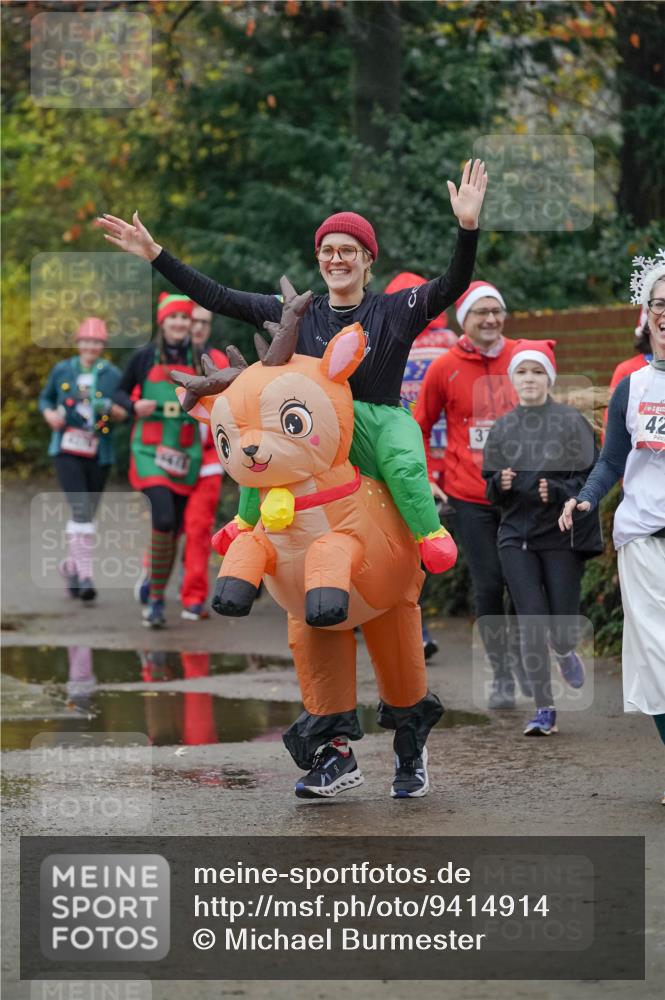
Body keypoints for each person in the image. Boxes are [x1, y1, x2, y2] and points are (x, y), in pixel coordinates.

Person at [96, 159, 488, 581]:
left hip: (377, 427)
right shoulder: (296, 312)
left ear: (367, 259)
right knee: (261, 439)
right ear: (318, 258)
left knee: (402, 460)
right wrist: (156, 254)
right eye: (328, 251)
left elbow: (453, 283)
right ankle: (245, 529)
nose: (337, 259)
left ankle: (429, 536)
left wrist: (467, 227)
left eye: (348, 251)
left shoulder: (394, 310)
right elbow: (218, 297)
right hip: (318, 435)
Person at [560, 250, 665, 801]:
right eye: (659, 304)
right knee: (656, 658)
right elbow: (611, 460)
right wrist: (587, 498)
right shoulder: (631, 386)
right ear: (645, 314)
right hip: (644, 539)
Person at [414, 280, 528, 708]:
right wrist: (425, 475)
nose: (491, 320)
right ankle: (501, 675)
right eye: (481, 312)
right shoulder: (445, 367)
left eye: (497, 311)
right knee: (489, 583)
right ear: (466, 320)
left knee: (521, 584)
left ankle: (521, 662)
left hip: (520, 495)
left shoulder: (522, 357)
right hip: (470, 495)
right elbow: (418, 425)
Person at [483, 340, 602, 736]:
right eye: (522, 372)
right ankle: (544, 709)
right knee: (531, 622)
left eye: (537, 372)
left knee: (562, 623)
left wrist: (559, 489)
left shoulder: (571, 423)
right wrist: (499, 483)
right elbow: (489, 488)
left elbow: (590, 479)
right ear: (513, 379)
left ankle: (566, 649)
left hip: (560, 536)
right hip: (515, 536)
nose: (529, 379)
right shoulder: (503, 427)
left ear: (548, 378)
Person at [114, 293, 203, 628]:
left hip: (185, 450)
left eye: (184, 318)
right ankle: (154, 599)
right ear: (162, 322)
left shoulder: (202, 356)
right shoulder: (144, 356)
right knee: (163, 519)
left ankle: (156, 591)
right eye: (173, 318)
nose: (179, 324)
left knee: (175, 528)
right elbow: (119, 393)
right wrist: (133, 407)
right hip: (150, 450)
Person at [386, 270, 458, 659]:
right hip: (450, 459)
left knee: (407, 545)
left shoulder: (386, 339)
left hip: (402, 457)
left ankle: (413, 624)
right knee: (432, 543)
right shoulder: (452, 343)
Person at [39, 317, 122, 602]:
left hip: (99, 452)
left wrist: (112, 409)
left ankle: (71, 566)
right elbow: (45, 399)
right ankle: (85, 574)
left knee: (88, 511)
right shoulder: (63, 370)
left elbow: (124, 408)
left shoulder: (112, 374)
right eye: (86, 341)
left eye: (96, 341)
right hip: (65, 450)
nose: (90, 346)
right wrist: (49, 414)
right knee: (80, 509)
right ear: (78, 343)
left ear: (103, 345)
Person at [179, 305, 229, 619]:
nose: (198, 328)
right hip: (172, 460)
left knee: (198, 529)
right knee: (167, 526)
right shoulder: (165, 361)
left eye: (204, 323)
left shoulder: (220, 363)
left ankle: (193, 598)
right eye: (193, 321)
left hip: (209, 459)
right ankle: (152, 574)